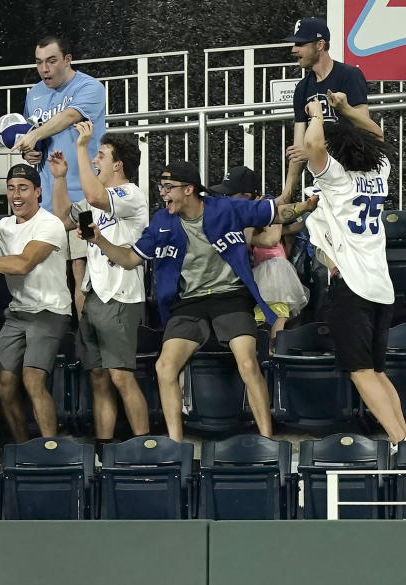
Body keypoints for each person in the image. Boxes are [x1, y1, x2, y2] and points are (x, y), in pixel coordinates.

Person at [84, 160, 311, 441]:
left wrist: (304, 207)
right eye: (161, 187)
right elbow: (130, 260)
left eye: (168, 187)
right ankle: (176, 445)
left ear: (189, 189)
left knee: (248, 362)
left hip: (230, 296)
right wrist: (100, 241)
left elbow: (277, 212)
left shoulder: (224, 208)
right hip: (188, 303)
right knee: (164, 367)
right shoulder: (162, 221)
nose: (163, 193)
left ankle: (267, 440)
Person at [275, 92, 406, 449]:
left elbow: (315, 145)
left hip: (352, 286)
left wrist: (318, 114)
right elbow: (378, 138)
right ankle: (405, 438)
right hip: (382, 287)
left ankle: (400, 438)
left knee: (360, 371)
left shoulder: (336, 178)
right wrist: (347, 109)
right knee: (376, 371)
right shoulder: (378, 171)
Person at [49, 125, 150, 445]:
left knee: (121, 376)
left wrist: (81, 146)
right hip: (94, 295)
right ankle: (105, 450)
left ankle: (144, 448)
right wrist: (61, 178)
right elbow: (62, 216)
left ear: (118, 164)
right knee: (99, 377)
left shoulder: (131, 194)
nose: (95, 159)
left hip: (122, 295)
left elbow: (94, 194)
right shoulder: (98, 201)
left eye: (101, 155)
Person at [0, 164, 72, 441]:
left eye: (23, 188)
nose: (16, 194)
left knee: (32, 380)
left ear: (38, 192)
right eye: (11, 188)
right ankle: (23, 446)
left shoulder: (50, 224)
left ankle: (51, 449)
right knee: (3, 385)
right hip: (17, 314)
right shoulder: (2, 226)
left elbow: (23, 264)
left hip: (50, 311)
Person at [12, 35, 107, 316]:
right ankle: (61, 348)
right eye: (39, 62)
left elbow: (68, 117)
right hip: (49, 203)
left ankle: (88, 352)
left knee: (82, 275)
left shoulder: (90, 87)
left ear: (68, 59)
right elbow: (35, 140)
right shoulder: (34, 94)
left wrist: (35, 134)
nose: (45, 69)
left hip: (84, 197)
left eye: (52, 61)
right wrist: (30, 153)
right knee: (50, 279)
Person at [210, 166, 308, 345]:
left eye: (230, 194)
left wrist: (241, 233)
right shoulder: (240, 213)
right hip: (257, 271)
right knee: (261, 318)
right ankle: (266, 353)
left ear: (247, 195)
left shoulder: (266, 205)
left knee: (277, 313)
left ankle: (274, 354)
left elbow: (271, 239)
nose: (225, 199)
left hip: (274, 268)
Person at [279, 17, 369, 204]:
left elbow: (365, 129)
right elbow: (299, 150)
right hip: (324, 181)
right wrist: (286, 195)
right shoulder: (302, 88)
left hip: (354, 176)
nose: (294, 50)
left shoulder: (349, 75)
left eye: (300, 43)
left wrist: (316, 150)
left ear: (320, 45)